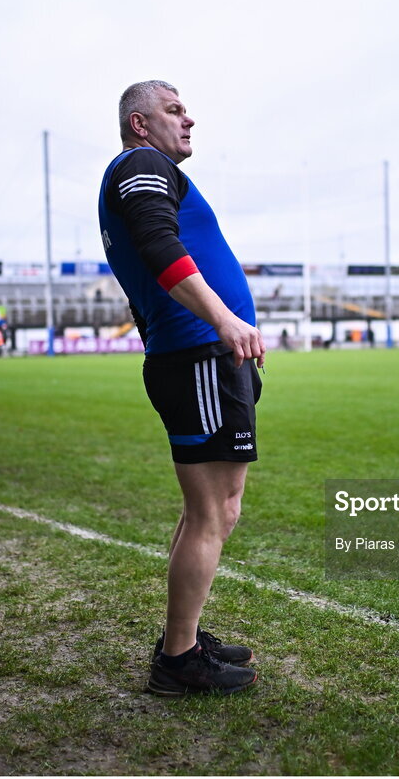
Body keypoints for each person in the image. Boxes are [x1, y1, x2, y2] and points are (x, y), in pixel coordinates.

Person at [98, 80, 265, 697]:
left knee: (215, 508)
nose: (188, 119)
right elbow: (157, 243)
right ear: (140, 123)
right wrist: (223, 320)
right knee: (213, 512)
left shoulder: (150, 168)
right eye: (173, 110)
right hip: (197, 355)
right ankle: (177, 661)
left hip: (205, 357)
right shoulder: (141, 164)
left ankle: (184, 637)